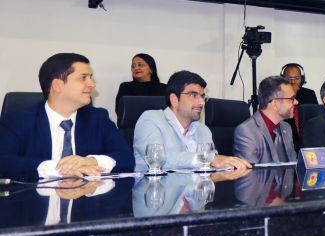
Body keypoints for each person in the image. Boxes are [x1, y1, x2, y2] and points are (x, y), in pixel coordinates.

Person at [0, 53, 134, 178]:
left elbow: (126, 158)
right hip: (33, 200)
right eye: (83, 78)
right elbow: (4, 162)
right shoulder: (17, 121)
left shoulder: (98, 118)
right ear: (58, 85)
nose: (92, 84)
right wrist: (57, 169)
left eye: (91, 77)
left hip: (85, 200)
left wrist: (90, 161)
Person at [132, 70, 251, 172]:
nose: (202, 103)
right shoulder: (150, 119)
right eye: (193, 95)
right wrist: (208, 159)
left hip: (193, 193)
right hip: (155, 194)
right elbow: (158, 159)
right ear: (174, 99)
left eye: (203, 96)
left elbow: (212, 167)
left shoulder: (202, 130)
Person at [234, 76, 298, 164]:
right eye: (291, 99)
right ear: (275, 104)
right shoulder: (247, 131)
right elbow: (249, 173)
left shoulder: (286, 128)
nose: (296, 102)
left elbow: (293, 166)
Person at [115, 53, 167, 125]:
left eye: (140, 65)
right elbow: (120, 111)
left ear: (151, 69)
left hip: (157, 127)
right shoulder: (125, 87)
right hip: (132, 128)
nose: (136, 68)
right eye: (133, 66)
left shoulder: (164, 88)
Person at [280, 62, 317, 151]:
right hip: (285, 141)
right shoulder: (278, 95)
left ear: (302, 79)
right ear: (282, 79)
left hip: (307, 140)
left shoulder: (309, 94)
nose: (293, 82)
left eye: (297, 78)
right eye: (289, 78)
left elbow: (316, 119)